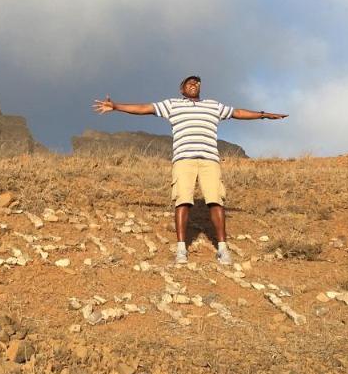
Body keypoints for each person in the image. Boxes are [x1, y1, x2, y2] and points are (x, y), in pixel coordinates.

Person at [93, 75, 285, 265]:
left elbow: (238, 113)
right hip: (184, 160)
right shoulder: (172, 105)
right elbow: (145, 108)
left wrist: (263, 114)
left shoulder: (213, 105)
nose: (194, 84)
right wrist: (116, 106)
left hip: (210, 160)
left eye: (197, 83)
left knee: (216, 201)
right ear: (182, 89)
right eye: (189, 82)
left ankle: (222, 249)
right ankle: (181, 250)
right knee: (182, 201)